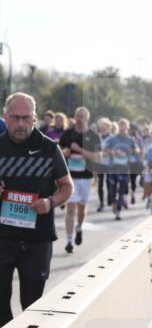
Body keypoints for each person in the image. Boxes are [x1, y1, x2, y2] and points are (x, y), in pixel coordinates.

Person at [0, 93, 73, 328]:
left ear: (34, 118)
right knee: (0, 299)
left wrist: (50, 201)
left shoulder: (49, 149)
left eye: (25, 118)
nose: (20, 124)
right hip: (0, 236)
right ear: (5, 118)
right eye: (15, 118)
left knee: (31, 303)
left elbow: (67, 186)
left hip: (37, 240)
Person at [58, 107, 101, 253]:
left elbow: (97, 157)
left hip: (86, 177)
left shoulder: (93, 135)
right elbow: (59, 151)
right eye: (77, 115)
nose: (79, 118)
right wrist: (64, 152)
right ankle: (69, 241)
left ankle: (79, 227)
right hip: (71, 177)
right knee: (70, 208)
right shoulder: (68, 133)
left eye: (82, 116)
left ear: (87, 118)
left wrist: (80, 150)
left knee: (81, 208)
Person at [104, 119, 137, 221]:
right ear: (118, 127)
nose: (123, 128)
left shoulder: (131, 140)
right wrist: (113, 151)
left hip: (124, 168)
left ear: (128, 128)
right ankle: (114, 202)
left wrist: (132, 151)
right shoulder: (112, 139)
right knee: (112, 189)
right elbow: (105, 150)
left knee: (122, 189)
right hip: (113, 168)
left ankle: (118, 211)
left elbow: (136, 150)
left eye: (125, 126)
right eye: (121, 125)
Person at [95, 117, 113, 212]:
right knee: (100, 183)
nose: (103, 129)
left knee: (109, 182)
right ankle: (101, 203)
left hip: (110, 163)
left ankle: (110, 197)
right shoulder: (97, 137)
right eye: (101, 127)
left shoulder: (113, 138)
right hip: (100, 163)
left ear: (109, 127)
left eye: (105, 127)